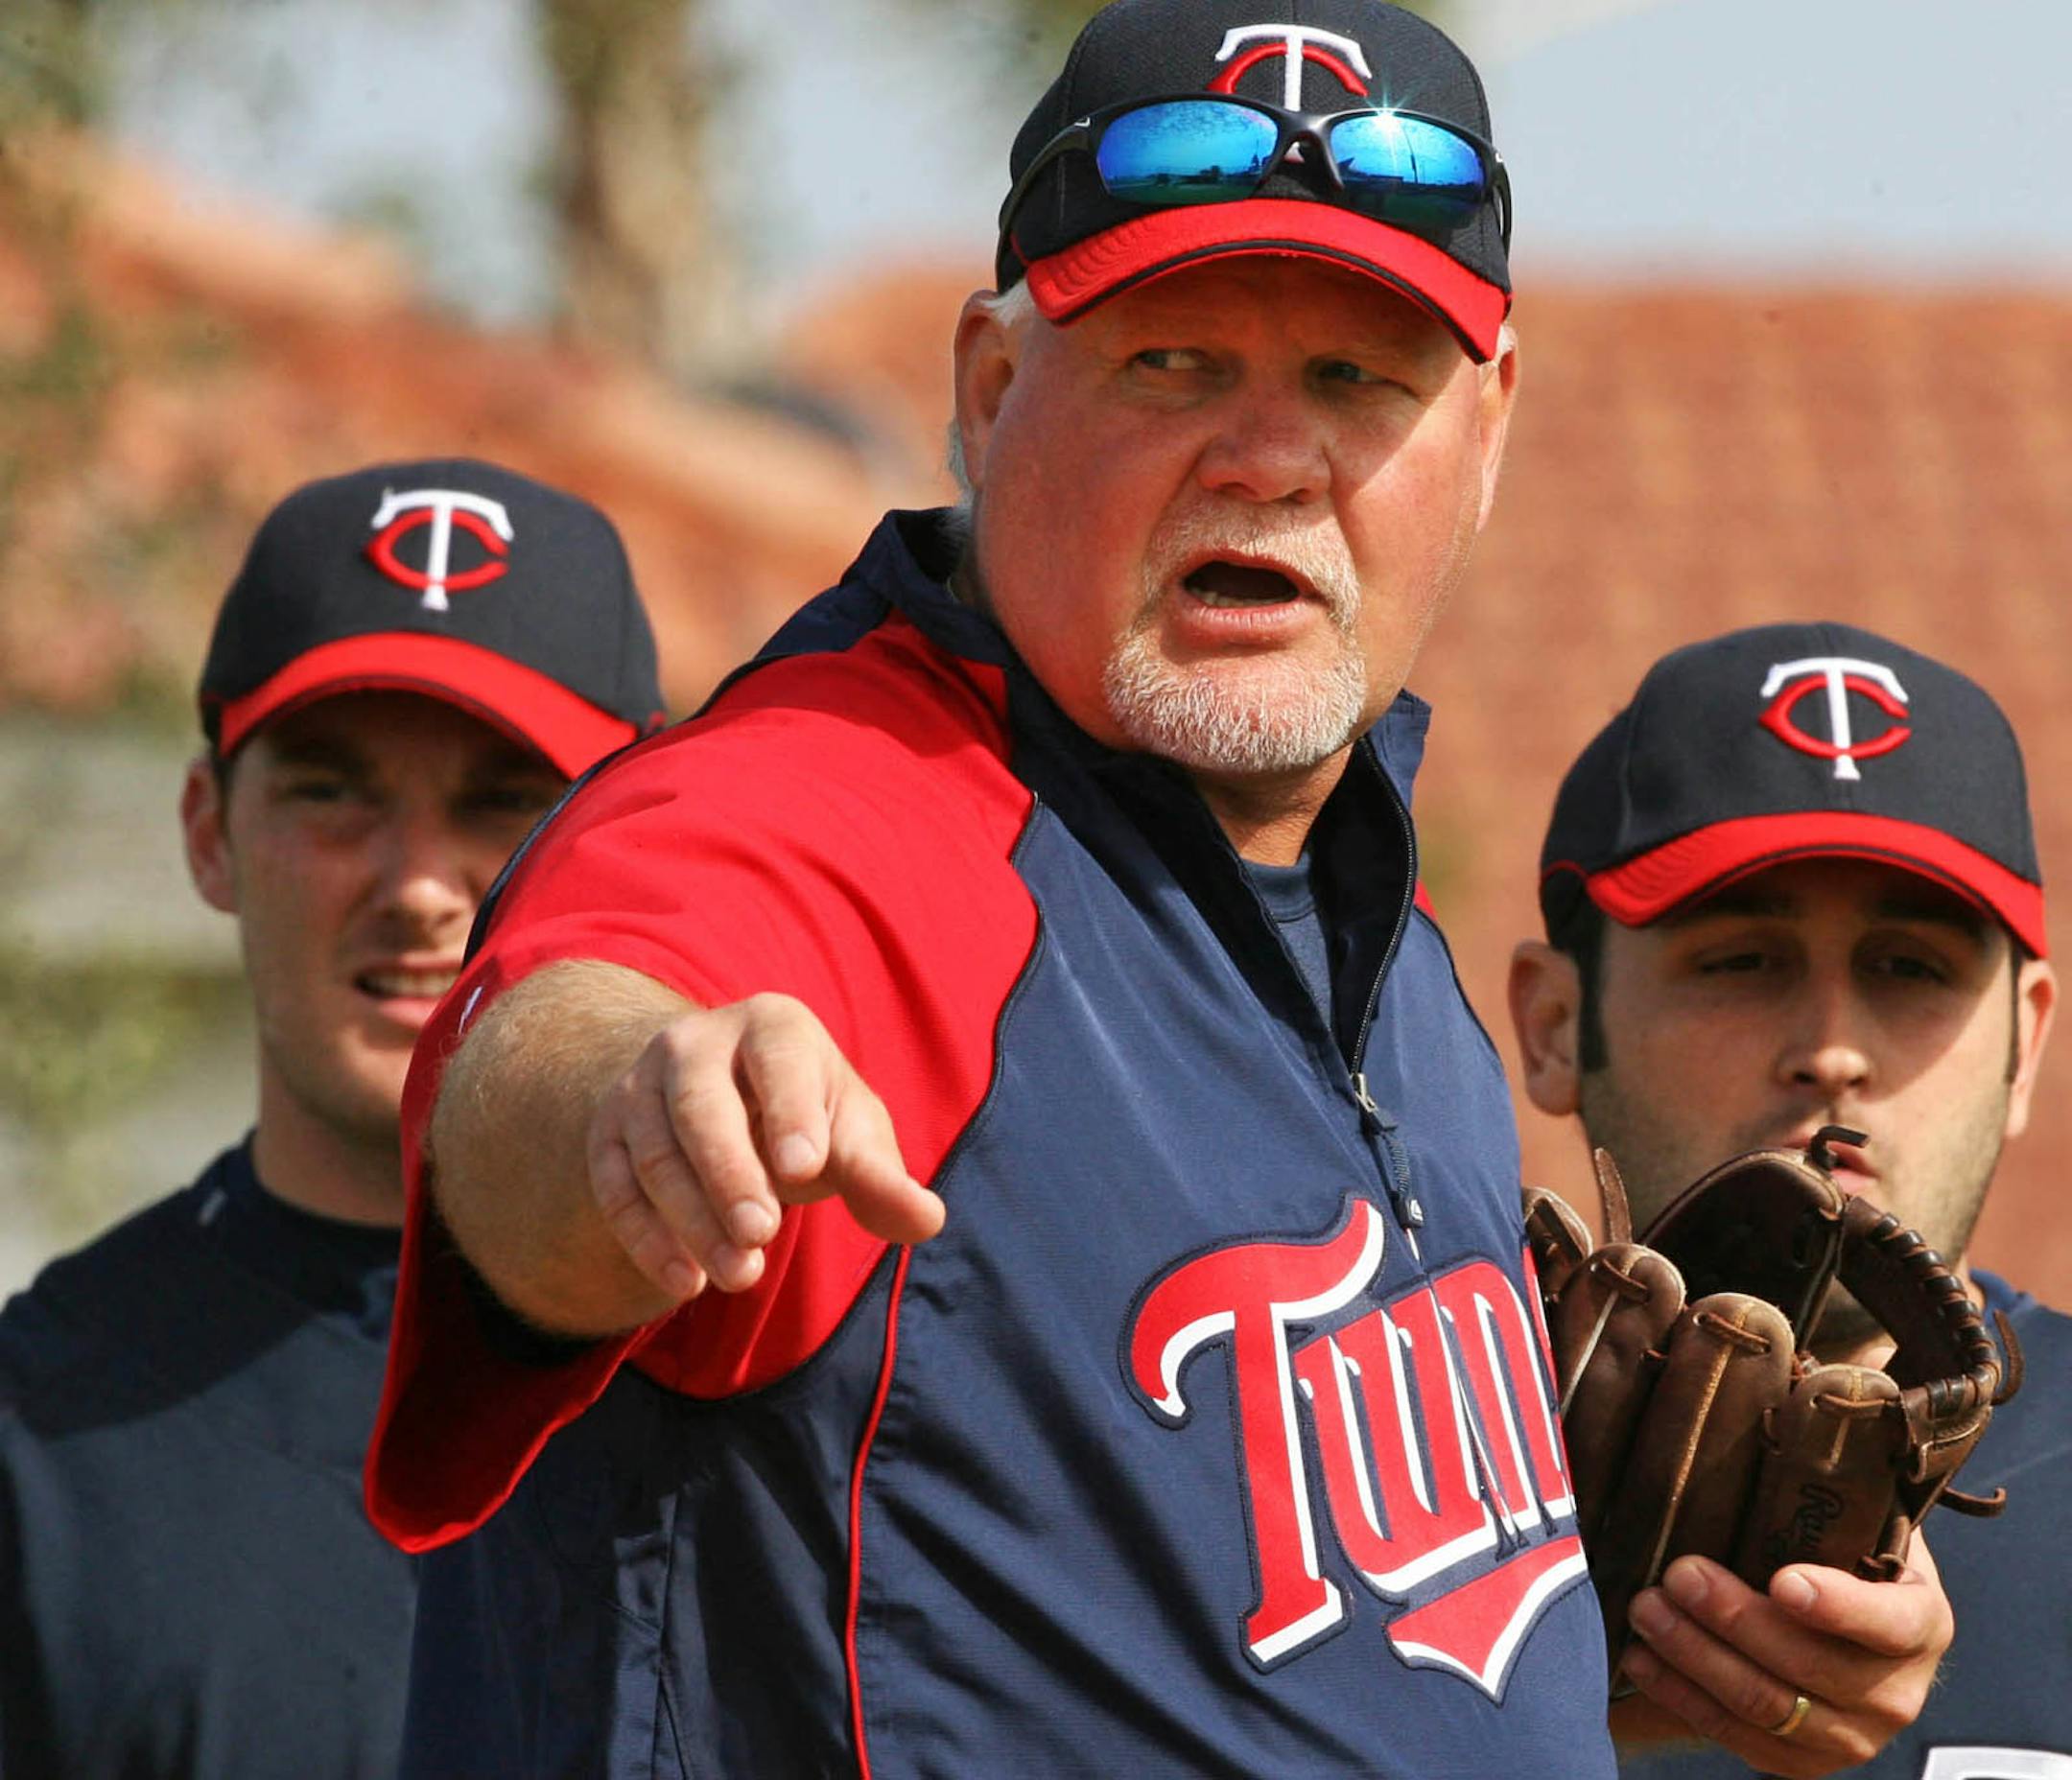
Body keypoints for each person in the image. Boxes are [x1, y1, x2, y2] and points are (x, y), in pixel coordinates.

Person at [367, 8, 1947, 1775]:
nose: (1268, 457)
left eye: (1359, 381)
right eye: (1173, 360)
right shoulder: (835, 814)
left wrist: (1691, 1653)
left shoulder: (1379, 937)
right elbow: (562, 1037)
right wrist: (636, 1110)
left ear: (1488, 432)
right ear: (988, 388)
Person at [0, 457, 665, 1778]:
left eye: (500, 799)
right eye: (332, 791)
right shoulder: (37, 1435)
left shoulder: (802, 1358)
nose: (419, 886)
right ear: (207, 833)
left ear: (636, 833)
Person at [1509, 621, 2070, 1777]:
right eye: (1741, 960)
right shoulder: (1377, 1481)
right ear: (1556, 1025)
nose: (1830, 1052)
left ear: (2029, 1040)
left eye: (1908, 966)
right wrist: (1519, 1702)